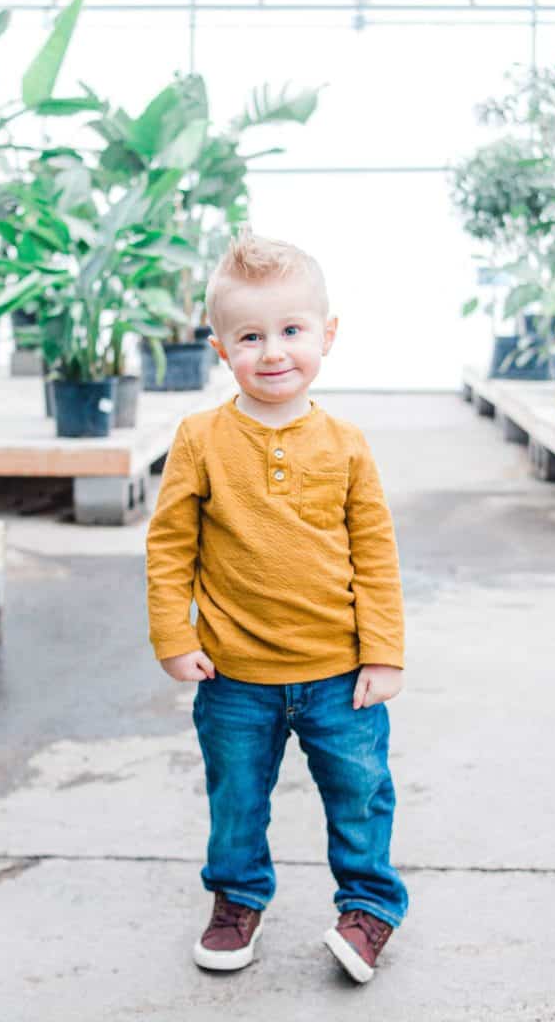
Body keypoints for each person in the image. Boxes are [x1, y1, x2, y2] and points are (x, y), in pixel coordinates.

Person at [145, 227, 408, 985]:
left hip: (339, 678)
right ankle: (235, 901)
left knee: (358, 798)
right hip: (233, 677)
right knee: (236, 801)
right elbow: (170, 549)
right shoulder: (199, 439)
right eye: (250, 336)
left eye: (290, 331)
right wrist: (172, 635)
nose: (272, 352)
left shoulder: (347, 444)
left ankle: (368, 910)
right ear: (221, 348)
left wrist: (383, 653)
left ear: (326, 335)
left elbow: (375, 555)